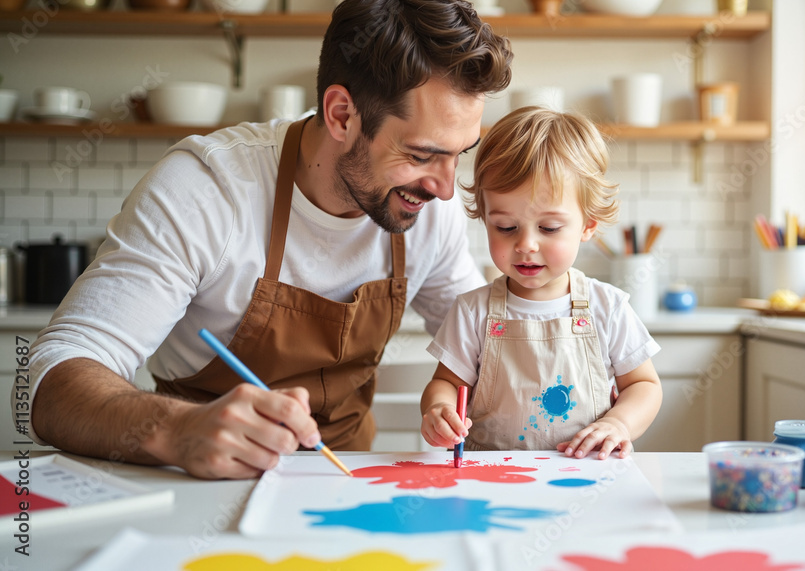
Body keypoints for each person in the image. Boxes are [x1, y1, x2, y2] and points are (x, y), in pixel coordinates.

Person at [23, 0, 513, 480]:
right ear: (342, 114)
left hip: (346, 483)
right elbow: (52, 381)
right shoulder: (207, 188)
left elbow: (485, 347)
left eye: (459, 154)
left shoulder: (428, 207)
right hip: (202, 485)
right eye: (422, 154)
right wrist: (178, 429)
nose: (446, 187)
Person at [419, 107, 663, 460]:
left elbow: (644, 386)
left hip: (583, 477)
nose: (526, 245)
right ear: (485, 218)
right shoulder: (473, 310)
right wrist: (438, 409)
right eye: (505, 227)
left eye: (548, 228)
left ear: (588, 225)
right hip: (491, 480)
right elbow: (444, 383)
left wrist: (620, 424)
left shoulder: (607, 307)